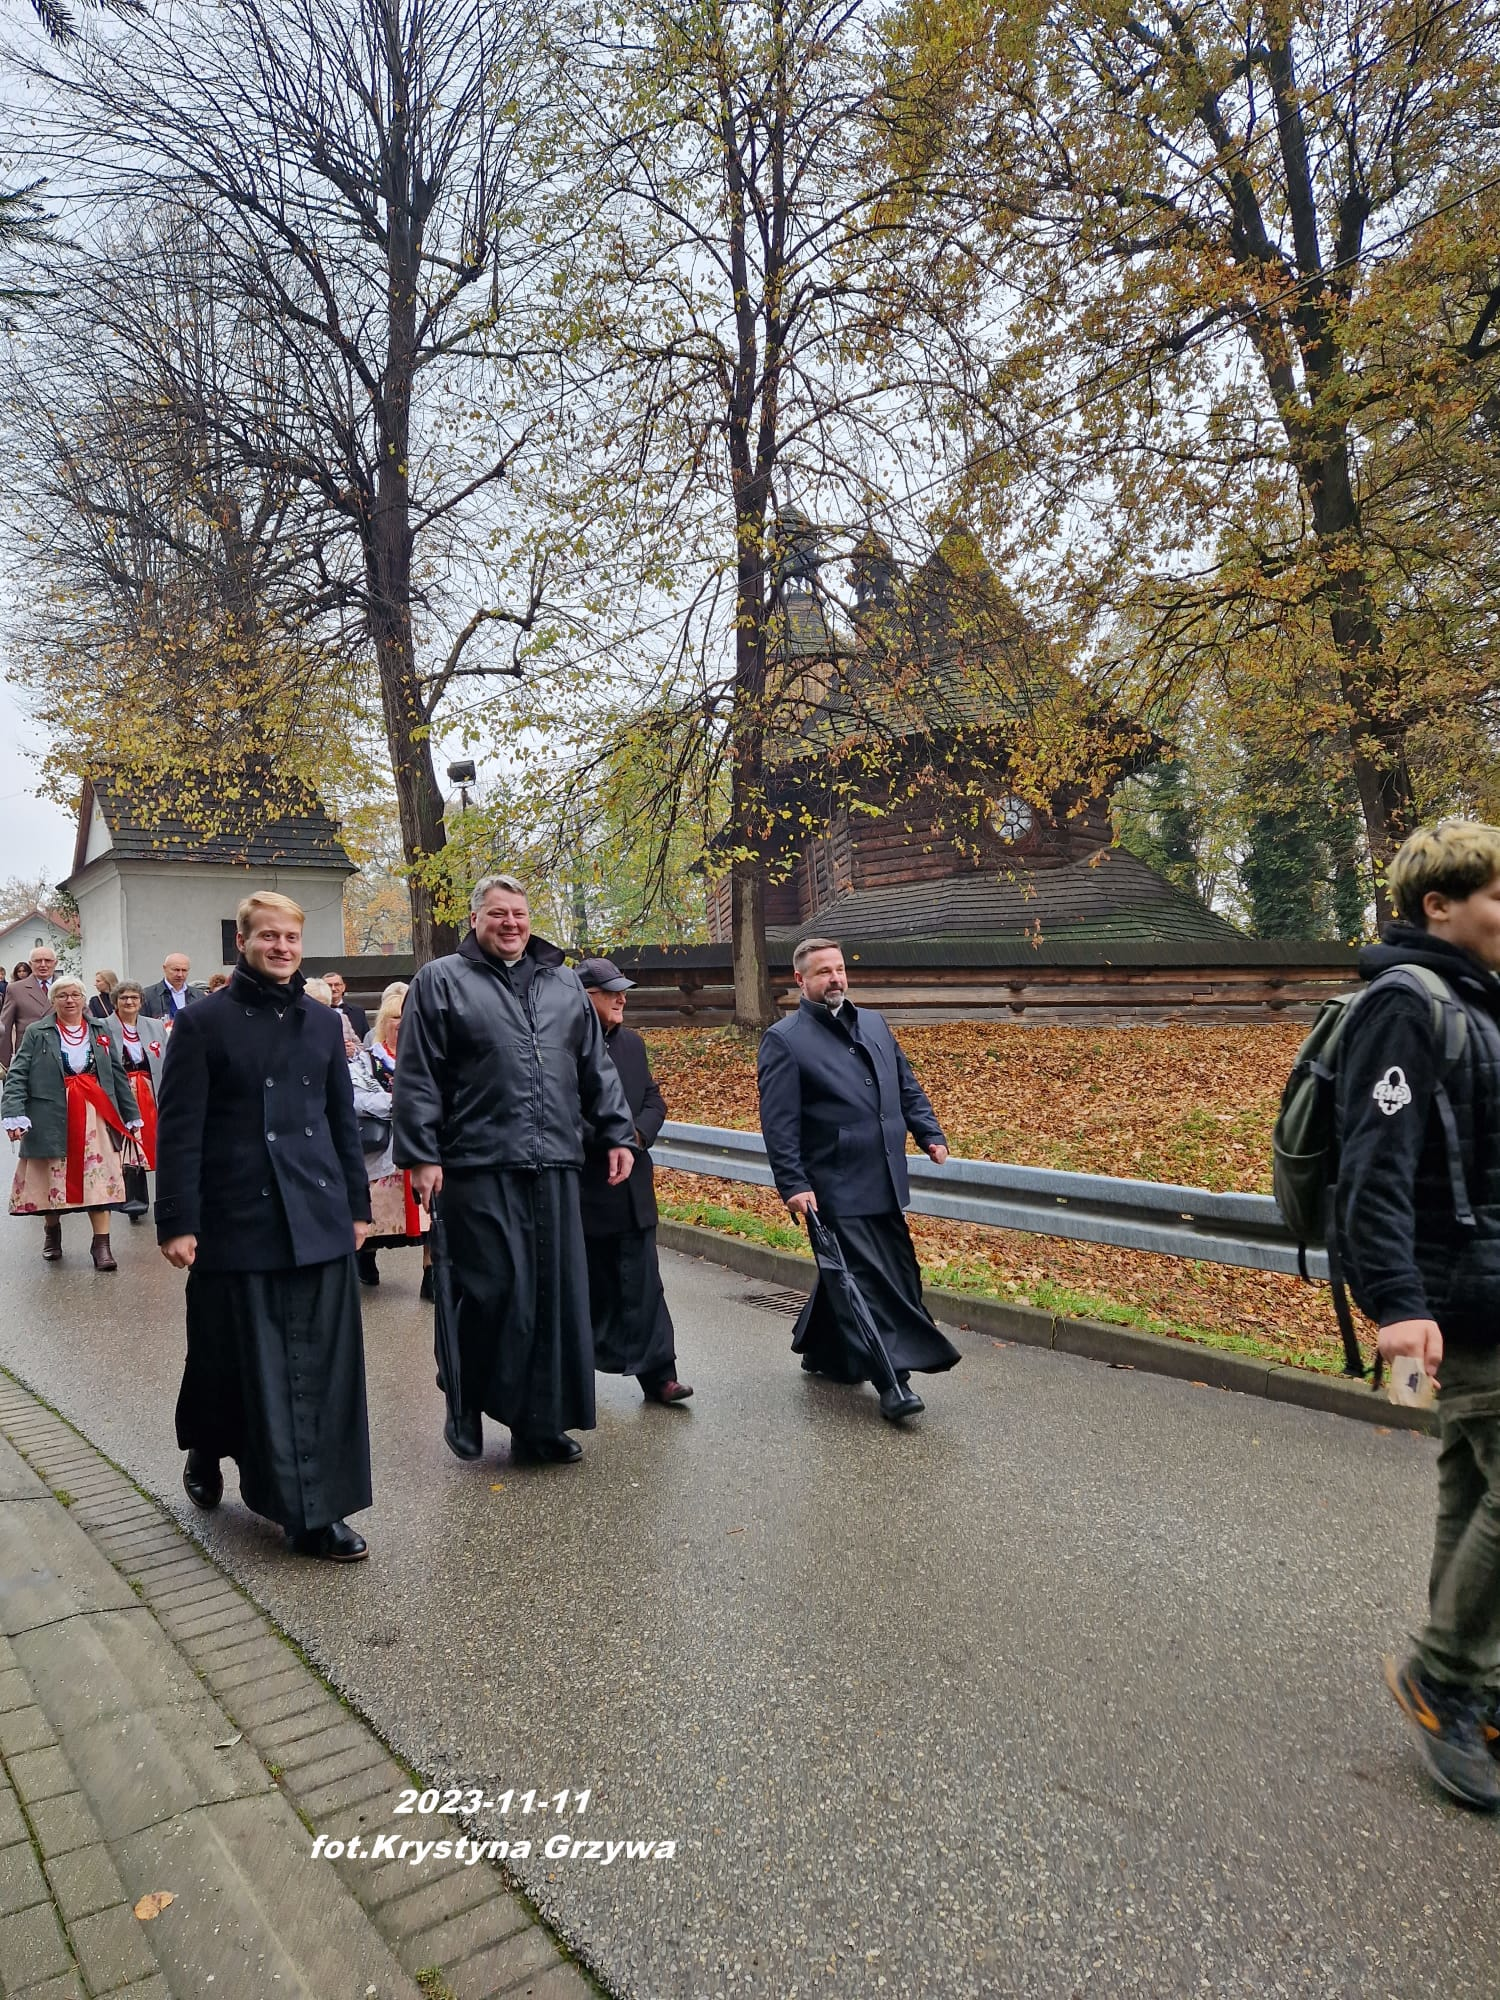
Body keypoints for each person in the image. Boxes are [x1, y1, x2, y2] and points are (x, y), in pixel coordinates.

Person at [1331, 822, 1500, 1810]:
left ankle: (1472, 1692)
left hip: (1487, 1285)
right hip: (1456, 1297)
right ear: (1438, 903)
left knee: (1469, 1486)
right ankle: (1443, 1671)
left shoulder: (1480, 1003)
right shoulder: (1407, 1002)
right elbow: (1374, 1168)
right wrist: (1396, 1304)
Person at [155, 890, 374, 1562]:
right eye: (268, 936)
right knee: (231, 1360)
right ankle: (204, 1442)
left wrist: (359, 1208)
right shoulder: (203, 1024)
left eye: (291, 939)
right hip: (237, 1219)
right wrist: (177, 1221)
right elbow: (180, 1130)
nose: (281, 948)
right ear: (243, 942)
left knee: (320, 1370)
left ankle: (313, 1513)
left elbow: (343, 1122)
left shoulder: (319, 1021)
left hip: (316, 1217)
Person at [392, 872, 635, 1465]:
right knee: (491, 1294)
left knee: (553, 1300)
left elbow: (594, 1066)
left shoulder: (562, 984)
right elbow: (418, 1073)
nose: (510, 923)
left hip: (553, 1160)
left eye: (519, 914)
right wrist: (421, 1155)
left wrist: (616, 1132)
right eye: (497, 913)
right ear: (475, 920)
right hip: (476, 1163)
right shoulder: (441, 981)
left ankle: (540, 1423)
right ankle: (466, 1404)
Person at [757, 937, 960, 1422]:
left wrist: (929, 1133)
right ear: (800, 980)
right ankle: (893, 1380)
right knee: (863, 1282)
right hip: (833, 1185)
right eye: (823, 971)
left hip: (884, 1176)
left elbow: (905, 1085)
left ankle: (823, 1351)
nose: (835, 978)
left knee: (892, 1273)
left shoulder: (873, 1022)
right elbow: (779, 1123)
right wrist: (793, 1184)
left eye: (840, 968)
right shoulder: (784, 1040)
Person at [576, 956, 692, 1406]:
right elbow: (564, 1112)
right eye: (610, 991)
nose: (622, 997)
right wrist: (610, 1142)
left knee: (646, 1286)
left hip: (634, 1188)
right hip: (588, 1187)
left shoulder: (633, 1044)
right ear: (585, 998)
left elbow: (653, 1098)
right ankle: (576, 1379)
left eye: (623, 990)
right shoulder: (561, 1048)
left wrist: (636, 1136)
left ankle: (660, 1375)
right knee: (590, 1290)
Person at [2, 975, 143, 1268]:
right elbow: (18, 1073)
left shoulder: (100, 1028)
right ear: (53, 1001)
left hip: (95, 1115)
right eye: (63, 995)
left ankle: (101, 1246)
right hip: (51, 1114)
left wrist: (131, 1114)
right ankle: (52, 1234)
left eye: (75, 995)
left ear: (83, 999)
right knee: (52, 1178)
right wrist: (13, 1111)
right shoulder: (37, 1032)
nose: (69, 1000)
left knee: (100, 1180)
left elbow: (116, 1074)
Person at [352, 982, 430, 1292]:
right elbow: (356, 1098)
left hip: (421, 1150)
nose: (402, 1023)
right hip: (382, 1153)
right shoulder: (367, 1060)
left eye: (408, 1016)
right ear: (385, 1022)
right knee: (377, 1218)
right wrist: (398, 1103)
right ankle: (365, 1258)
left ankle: (430, 1273)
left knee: (429, 1216)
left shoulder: (428, 1059)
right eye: (396, 1017)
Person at [101, 981, 166, 1222]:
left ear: (141, 1001)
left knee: (156, 1144)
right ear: (115, 1001)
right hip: (122, 1091)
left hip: (151, 1090)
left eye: (134, 998)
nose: (129, 1002)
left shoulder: (155, 1025)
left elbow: (167, 1059)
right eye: (124, 998)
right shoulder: (102, 1027)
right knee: (130, 1146)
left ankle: (167, 1198)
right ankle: (135, 1202)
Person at [0, 946, 60, 1068]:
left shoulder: (67, 986)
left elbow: (85, 1018)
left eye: (48, 961)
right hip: (29, 1054)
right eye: (38, 961)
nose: (43, 965)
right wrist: (3, 1063)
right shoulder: (16, 989)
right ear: (30, 964)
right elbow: (5, 1027)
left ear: (55, 963)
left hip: (61, 1052)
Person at [142, 954, 204, 1024]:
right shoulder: (148, 995)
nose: (180, 974)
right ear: (164, 968)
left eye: (184, 970)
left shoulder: (199, 996)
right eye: (176, 970)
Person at [326, 971, 370, 1043]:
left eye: (337, 985)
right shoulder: (318, 1012)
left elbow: (365, 1039)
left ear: (343, 987)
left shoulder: (358, 1012)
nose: (333, 989)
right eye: (329, 985)